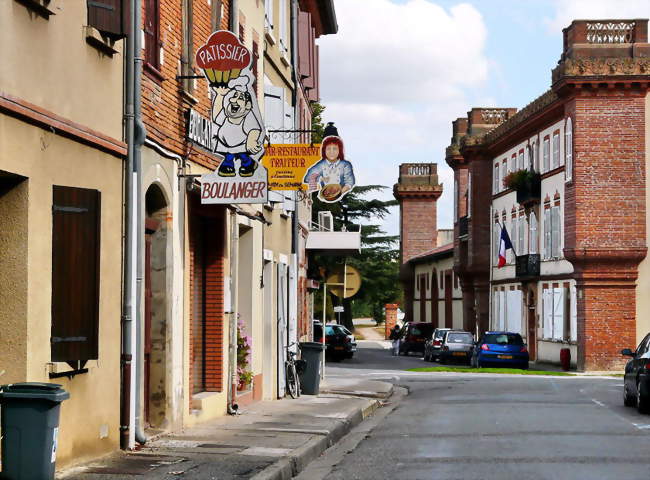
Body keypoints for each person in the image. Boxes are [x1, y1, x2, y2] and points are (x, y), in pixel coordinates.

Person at [303, 135, 355, 202]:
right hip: (323, 196)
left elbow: (350, 182)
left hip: (338, 194)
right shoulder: (321, 164)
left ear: (340, 150)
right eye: (328, 149)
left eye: (335, 149)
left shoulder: (345, 164)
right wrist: (320, 179)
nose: (331, 152)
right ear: (324, 150)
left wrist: (337, 194)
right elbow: (307, 178)